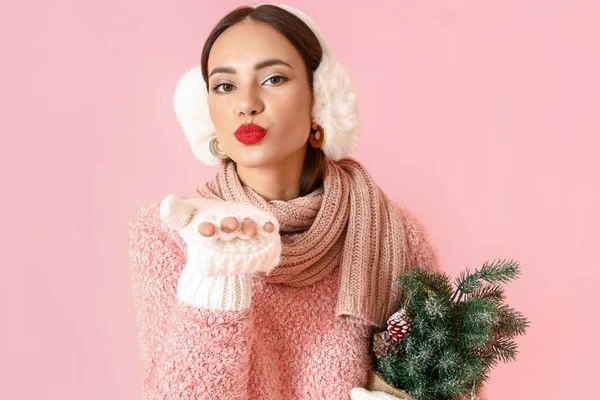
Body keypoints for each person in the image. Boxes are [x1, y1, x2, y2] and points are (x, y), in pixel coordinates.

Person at [127, 3, 488, 399]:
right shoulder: (169, 236)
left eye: (274, 78)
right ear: (205, 112)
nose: (246, 103)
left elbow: (450, 382)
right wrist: (214, 279)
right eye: (225, 86)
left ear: (320, 100)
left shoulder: (392, 231)